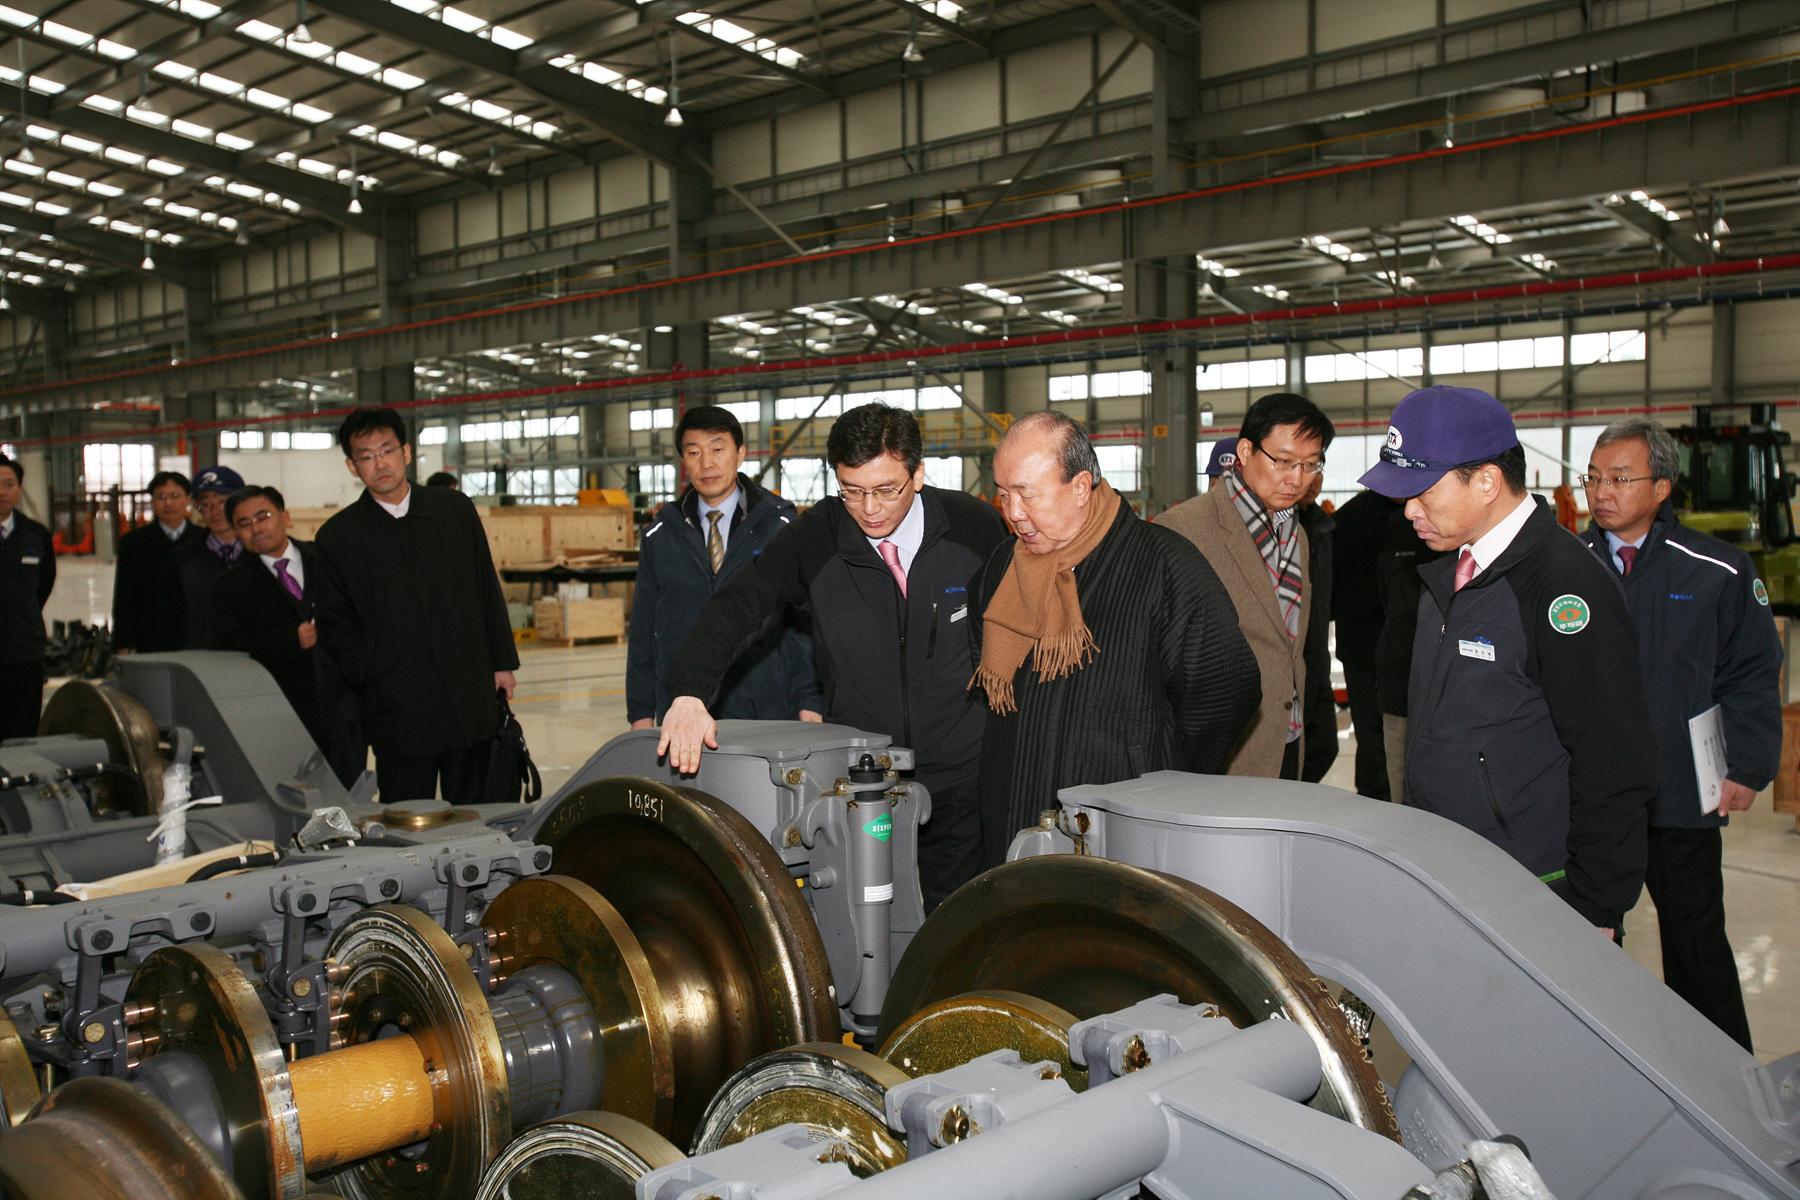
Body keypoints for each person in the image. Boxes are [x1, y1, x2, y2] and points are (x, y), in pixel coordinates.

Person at [659, 403, 1007, 910]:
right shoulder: (816, 537)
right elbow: (738, 605)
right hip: (866, 779)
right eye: (852, 490)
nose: (869, 508)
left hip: (962, 776)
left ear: (918, 473)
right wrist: (689, 691)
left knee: (955, 917)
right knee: (870, 919)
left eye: (886, 489)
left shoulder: (973, 527)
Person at [1358, 385, 1657, 937]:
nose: (1408, 509)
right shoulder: (1445, 571)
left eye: (1422, 491)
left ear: (1488, 480)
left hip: (1536, 887)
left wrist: (1595, 906)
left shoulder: (1565, 587)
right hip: (1452, 873)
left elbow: (1613, 758)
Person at [973, 412, 1258, 864]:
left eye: (1027, 495)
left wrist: (1159, 771)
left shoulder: (1163, 565)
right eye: (1003, 495)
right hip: (1014, 811)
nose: (1013, 514)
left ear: (1081, 486)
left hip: (1121, 824)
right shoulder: (1002, 567)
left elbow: (1225, 689)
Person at [1579, 417, 1780, 1051]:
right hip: (1590, 794)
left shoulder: (1717, 569)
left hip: (1679, 790)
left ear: (1661, 486)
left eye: (1619, 478)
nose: (1600, 491)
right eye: (1592, 478)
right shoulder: (1564, 566)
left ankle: (1724, 1074)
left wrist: (1747, 765)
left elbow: (1751, 672)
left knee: (1695, 939)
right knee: (1587, 938)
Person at [312, 408, 518, 804]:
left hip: (467, 693)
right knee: (408, 818)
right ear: (352, 466)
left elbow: (485, 587)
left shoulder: (453, 510)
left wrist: (501, 662)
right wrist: (373, 672)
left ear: (406, 452)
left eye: (386, 450)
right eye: (366, 456)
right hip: (397, 707)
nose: (379, 463)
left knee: (476, 810)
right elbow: (335, 623)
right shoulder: (339, 537)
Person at [1158, 393, 1335, 778]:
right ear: (1245, 451)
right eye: (1284, 461)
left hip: (1288, 741)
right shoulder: (1183, 530)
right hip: (1220, 753)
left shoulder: (1296, 534)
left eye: (1310, 464)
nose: (1297, 479)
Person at [628, 405, 821, 728]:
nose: (707, 463)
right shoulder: (660, 535)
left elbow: (800, 622)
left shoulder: (780, 526)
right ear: (683, 462)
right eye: (694, 452)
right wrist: (641, 712)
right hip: (684, 706)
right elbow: (645, 629)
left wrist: (809, 698)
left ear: (740, 453)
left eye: (718, 449)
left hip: (765, 702)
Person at [214, 485, 366, 787]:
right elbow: (228, 651)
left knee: (351, 799)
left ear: (285, 517)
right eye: (244, 524)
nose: (256, 528)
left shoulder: (326, 561)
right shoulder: (230, 587)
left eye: (263, 516)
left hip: (345, 711)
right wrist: (288, 641)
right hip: (284, 717)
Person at [1331, 489, 1399, 800]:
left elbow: (1330, 584)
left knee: (1370, 732)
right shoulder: (1414, 516)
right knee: (1390, 734)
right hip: (1394, 647)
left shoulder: (1345, 517)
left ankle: (1373, 797)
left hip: (1358, 644)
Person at [1373, 506, 1444, 803]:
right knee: (1400, 791)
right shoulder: (1395, 529)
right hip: (1398, 684)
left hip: (1444, 695)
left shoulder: (1459, 543)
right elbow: (1385, 600)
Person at [112, 470, 205, 653]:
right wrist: (123, 642)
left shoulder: (203, 540)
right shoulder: (133, 543)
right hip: (150, 637)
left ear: (188, 500)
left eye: (175, 496)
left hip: (195, 638)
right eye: (161, 497)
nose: (168, 503)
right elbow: (124, 596)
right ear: (153, 502)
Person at [0, 455, 55, 739]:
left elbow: (44, 584)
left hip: (25, 653)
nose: (2, 491)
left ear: (19, 488)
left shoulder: (36, 535)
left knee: (23, 734)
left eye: (9, 484)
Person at [1295, 472, 1338, 783]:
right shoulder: (1280, 525)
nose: (1310, 481)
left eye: (1315, 469)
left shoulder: (1325, 525)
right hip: (1292, 654)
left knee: (1324, 744)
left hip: (1318, 651)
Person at [177, 465, 245, 648]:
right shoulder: (182, 559)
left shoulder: (261, 554)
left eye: (222, 502)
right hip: (203, 661)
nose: (214, 511)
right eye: (205, 505)